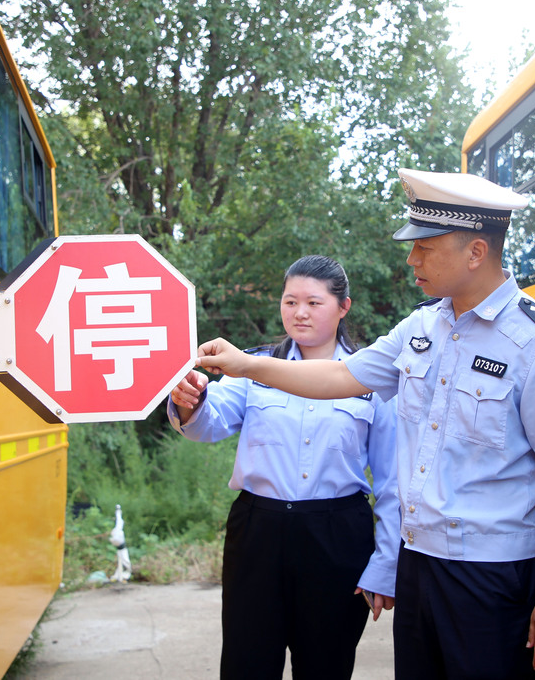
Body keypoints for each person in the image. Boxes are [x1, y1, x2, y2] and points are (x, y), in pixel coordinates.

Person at [186, 169, 535, 679]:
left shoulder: (534, 343)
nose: (411, 259)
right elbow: (341, 376)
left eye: (425, 247)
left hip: (494, 573)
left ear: (475, 252)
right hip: (421, 563)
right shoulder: (422, 326)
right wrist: (246, 365)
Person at [167, 254, 400, 680]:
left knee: (326, 666)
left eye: (313, 302)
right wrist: (190, 402)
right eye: (290, 301)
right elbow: (207, 424)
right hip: (258, 533)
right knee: (247, 663)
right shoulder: (251, 366)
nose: (299, 313)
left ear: (343, 307)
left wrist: (386, 563)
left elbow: (392, 481)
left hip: (337, 538)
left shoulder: (370, 377)